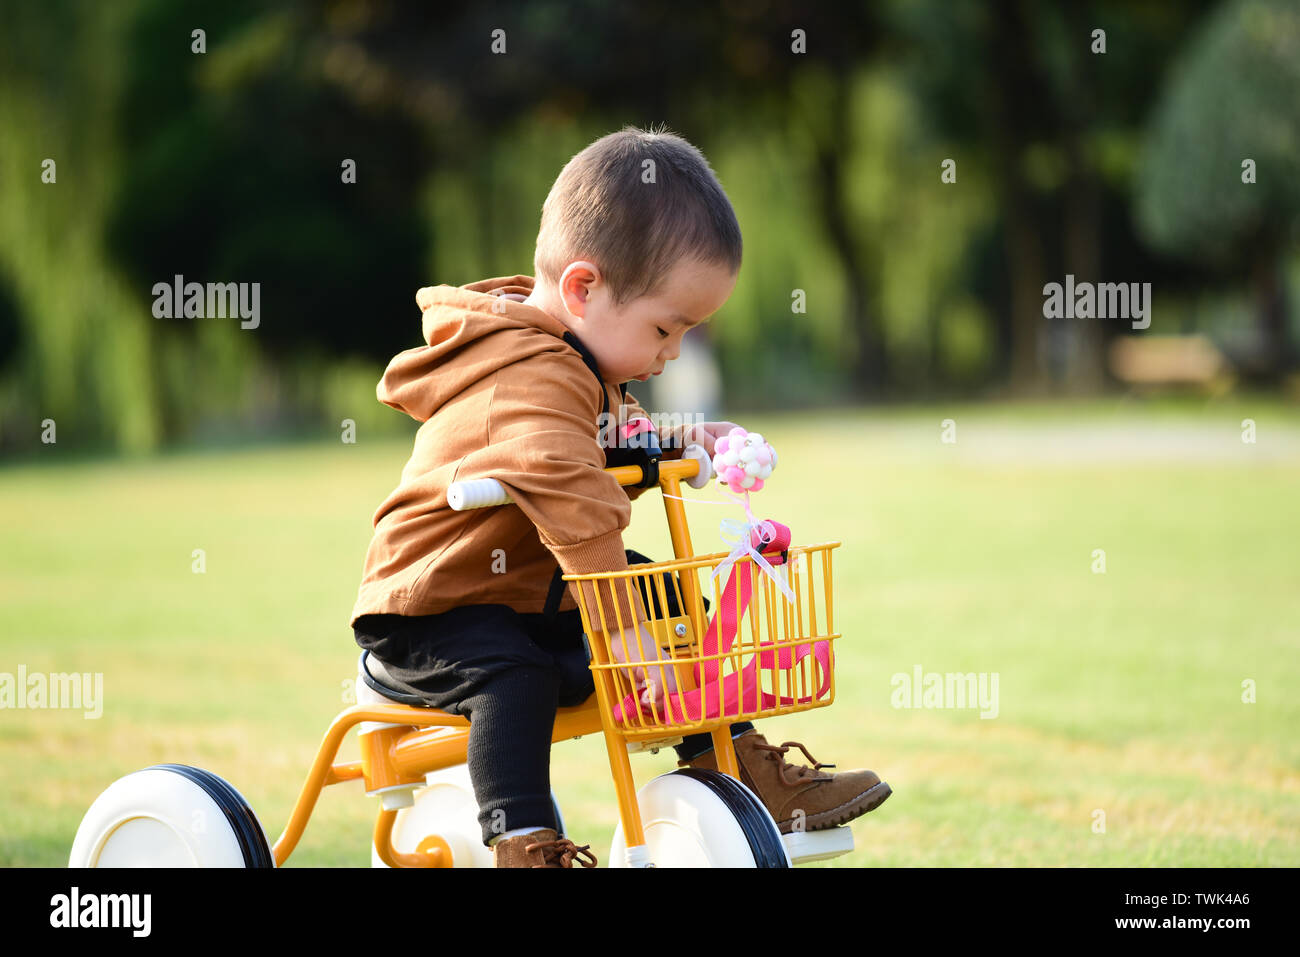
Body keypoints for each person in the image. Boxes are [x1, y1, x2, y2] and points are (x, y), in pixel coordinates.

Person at [350, 125, 890, 868]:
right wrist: (624, 630)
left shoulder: (576, 355)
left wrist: (687, 439)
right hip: (435, 611)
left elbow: (613, 431)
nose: (672, 352)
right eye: (666, 327)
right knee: (517, 672)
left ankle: (730, 760)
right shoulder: (527, 374)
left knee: (667, 592)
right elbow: (570, 486)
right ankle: (522, 839)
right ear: (582, 288)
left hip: (525, 591)